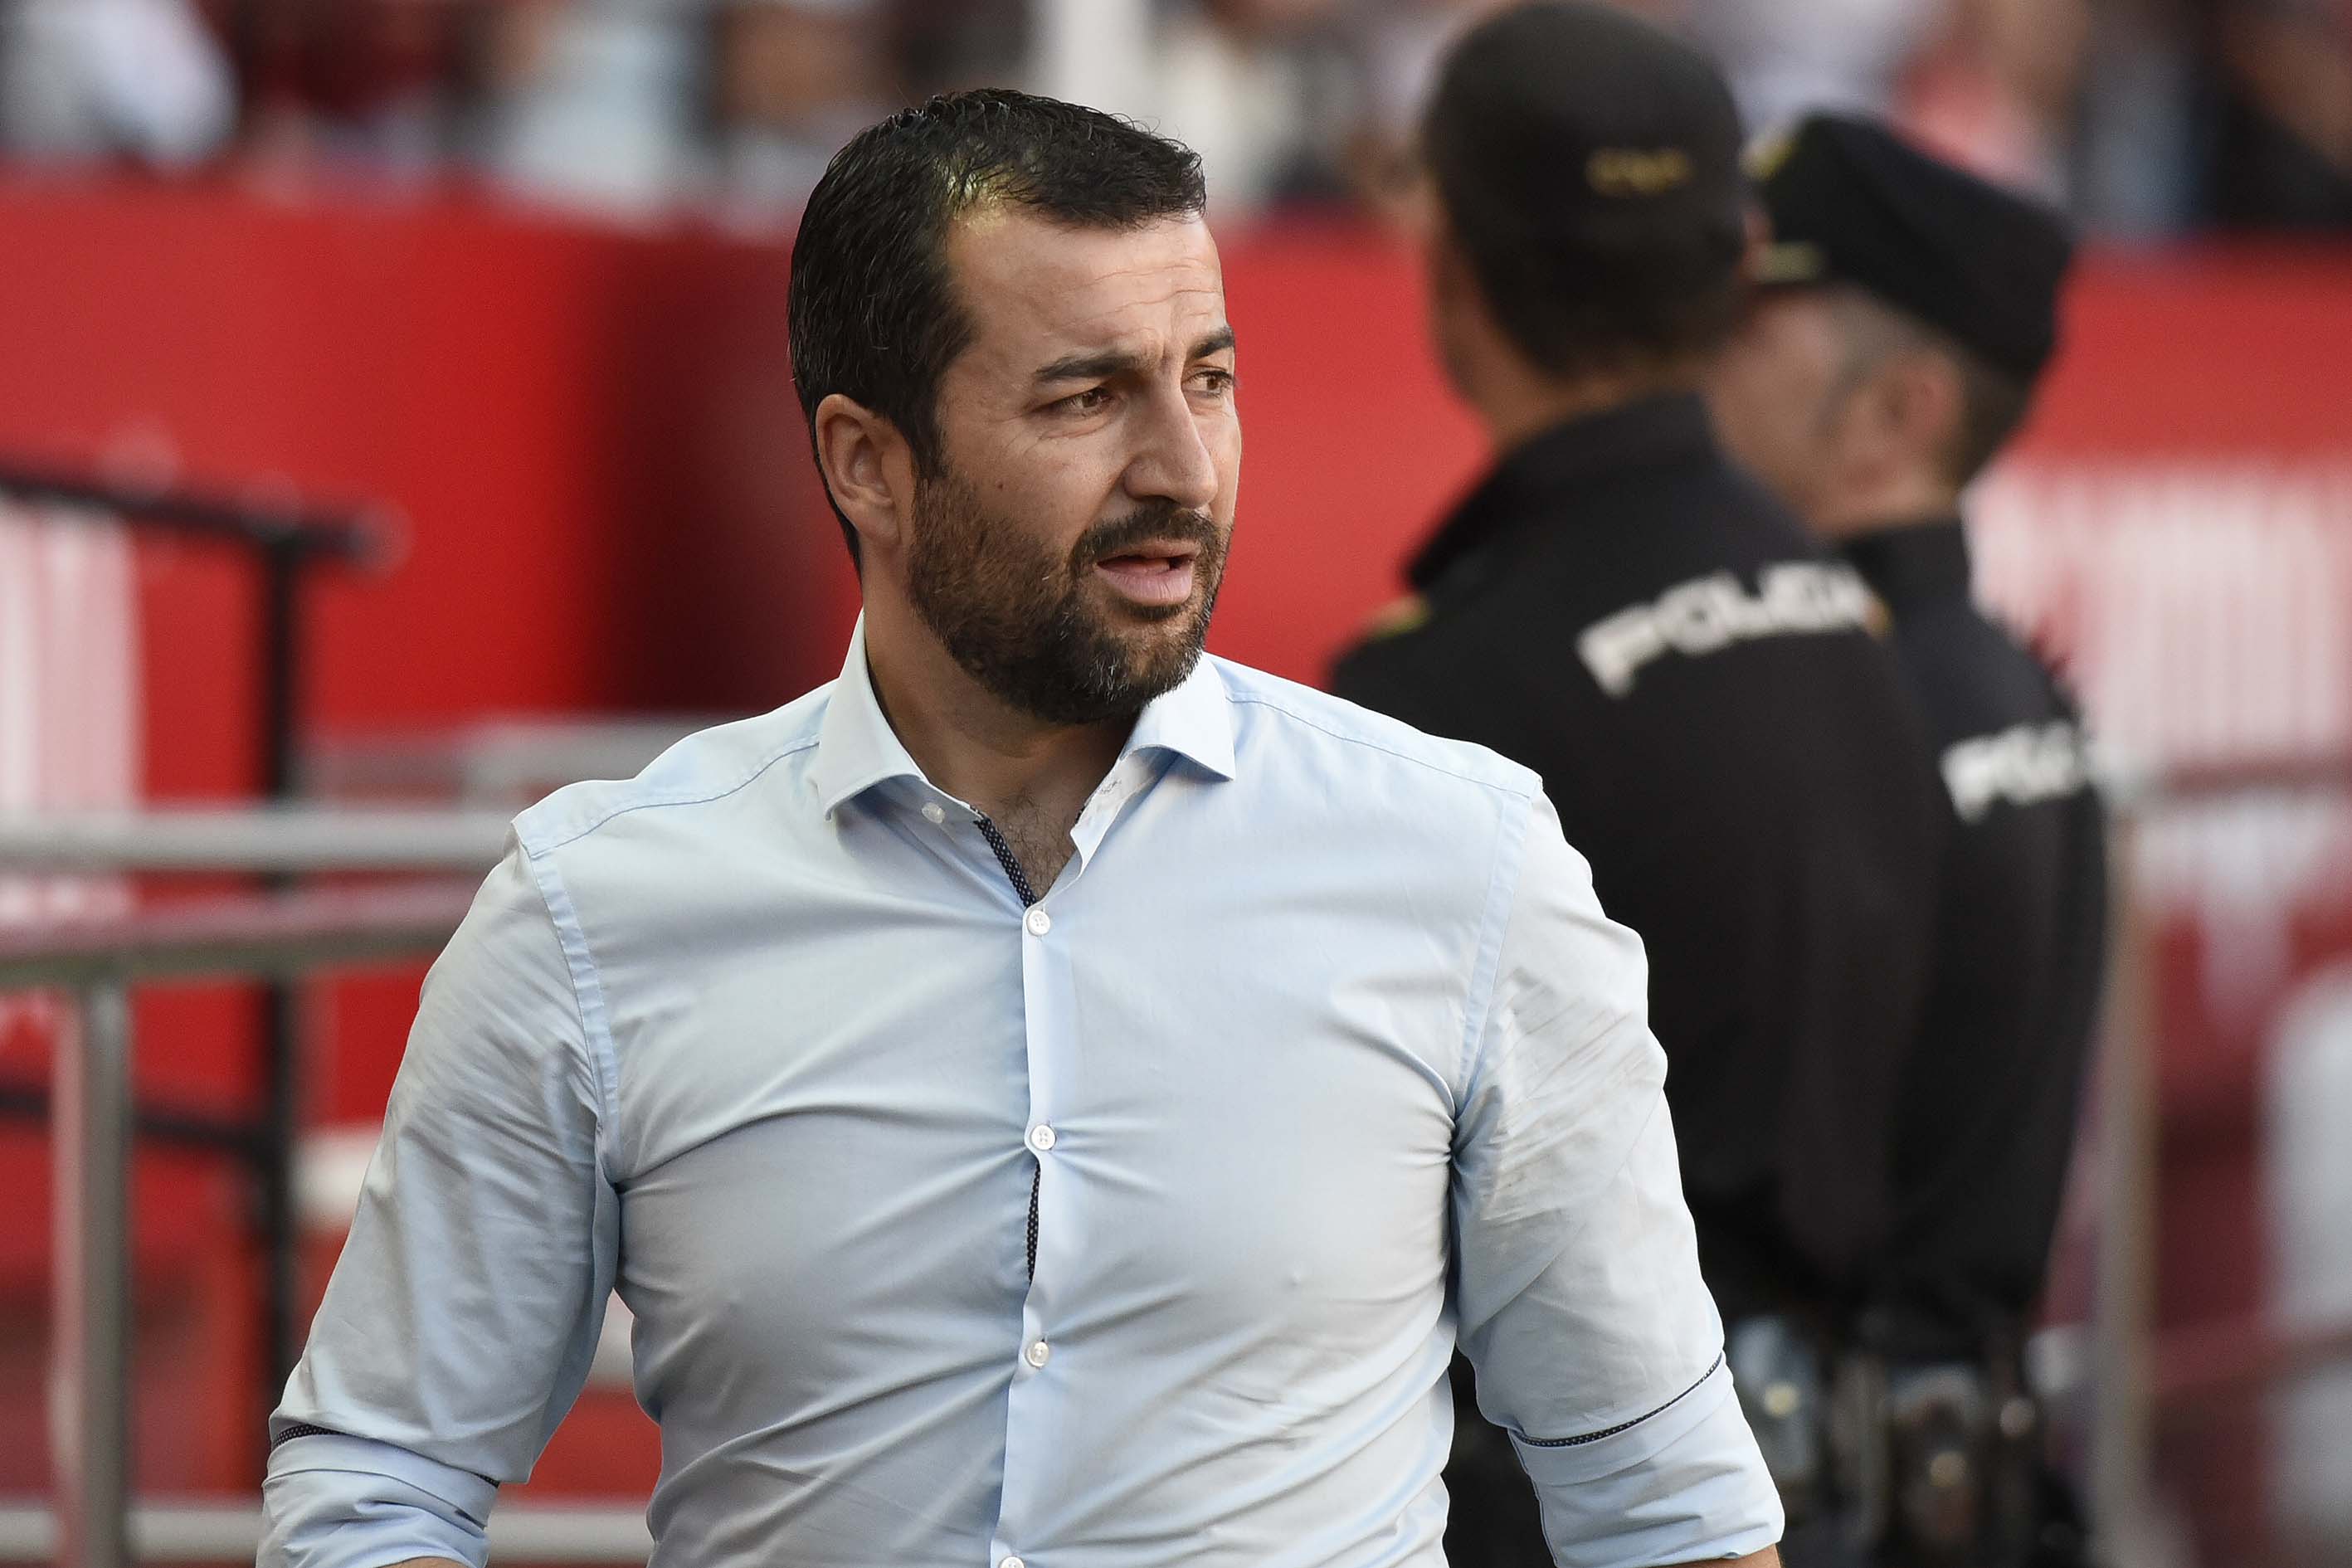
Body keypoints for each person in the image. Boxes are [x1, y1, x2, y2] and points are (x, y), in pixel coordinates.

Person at [261, 89, 1785, 1568]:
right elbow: (375, 1482)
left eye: (1209, 378)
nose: (1183, 470)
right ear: (868, 462)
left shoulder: (1465, 864)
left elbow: (1671, 1513)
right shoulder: (595, 909)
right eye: (1087, 395)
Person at [1328, 7, 1947, 1562]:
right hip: (1814, 1472)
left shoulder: (1431, 694)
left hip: (1573, 1498)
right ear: (1740, 268)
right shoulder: (1855, 619)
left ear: (1451, 278)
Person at [1707, 113, 2107, 1566]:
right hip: (1964, 1488)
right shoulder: (2012, 685)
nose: (1701, 352)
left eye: (1753, 317)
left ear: (1898, 408)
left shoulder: (1826, 710)